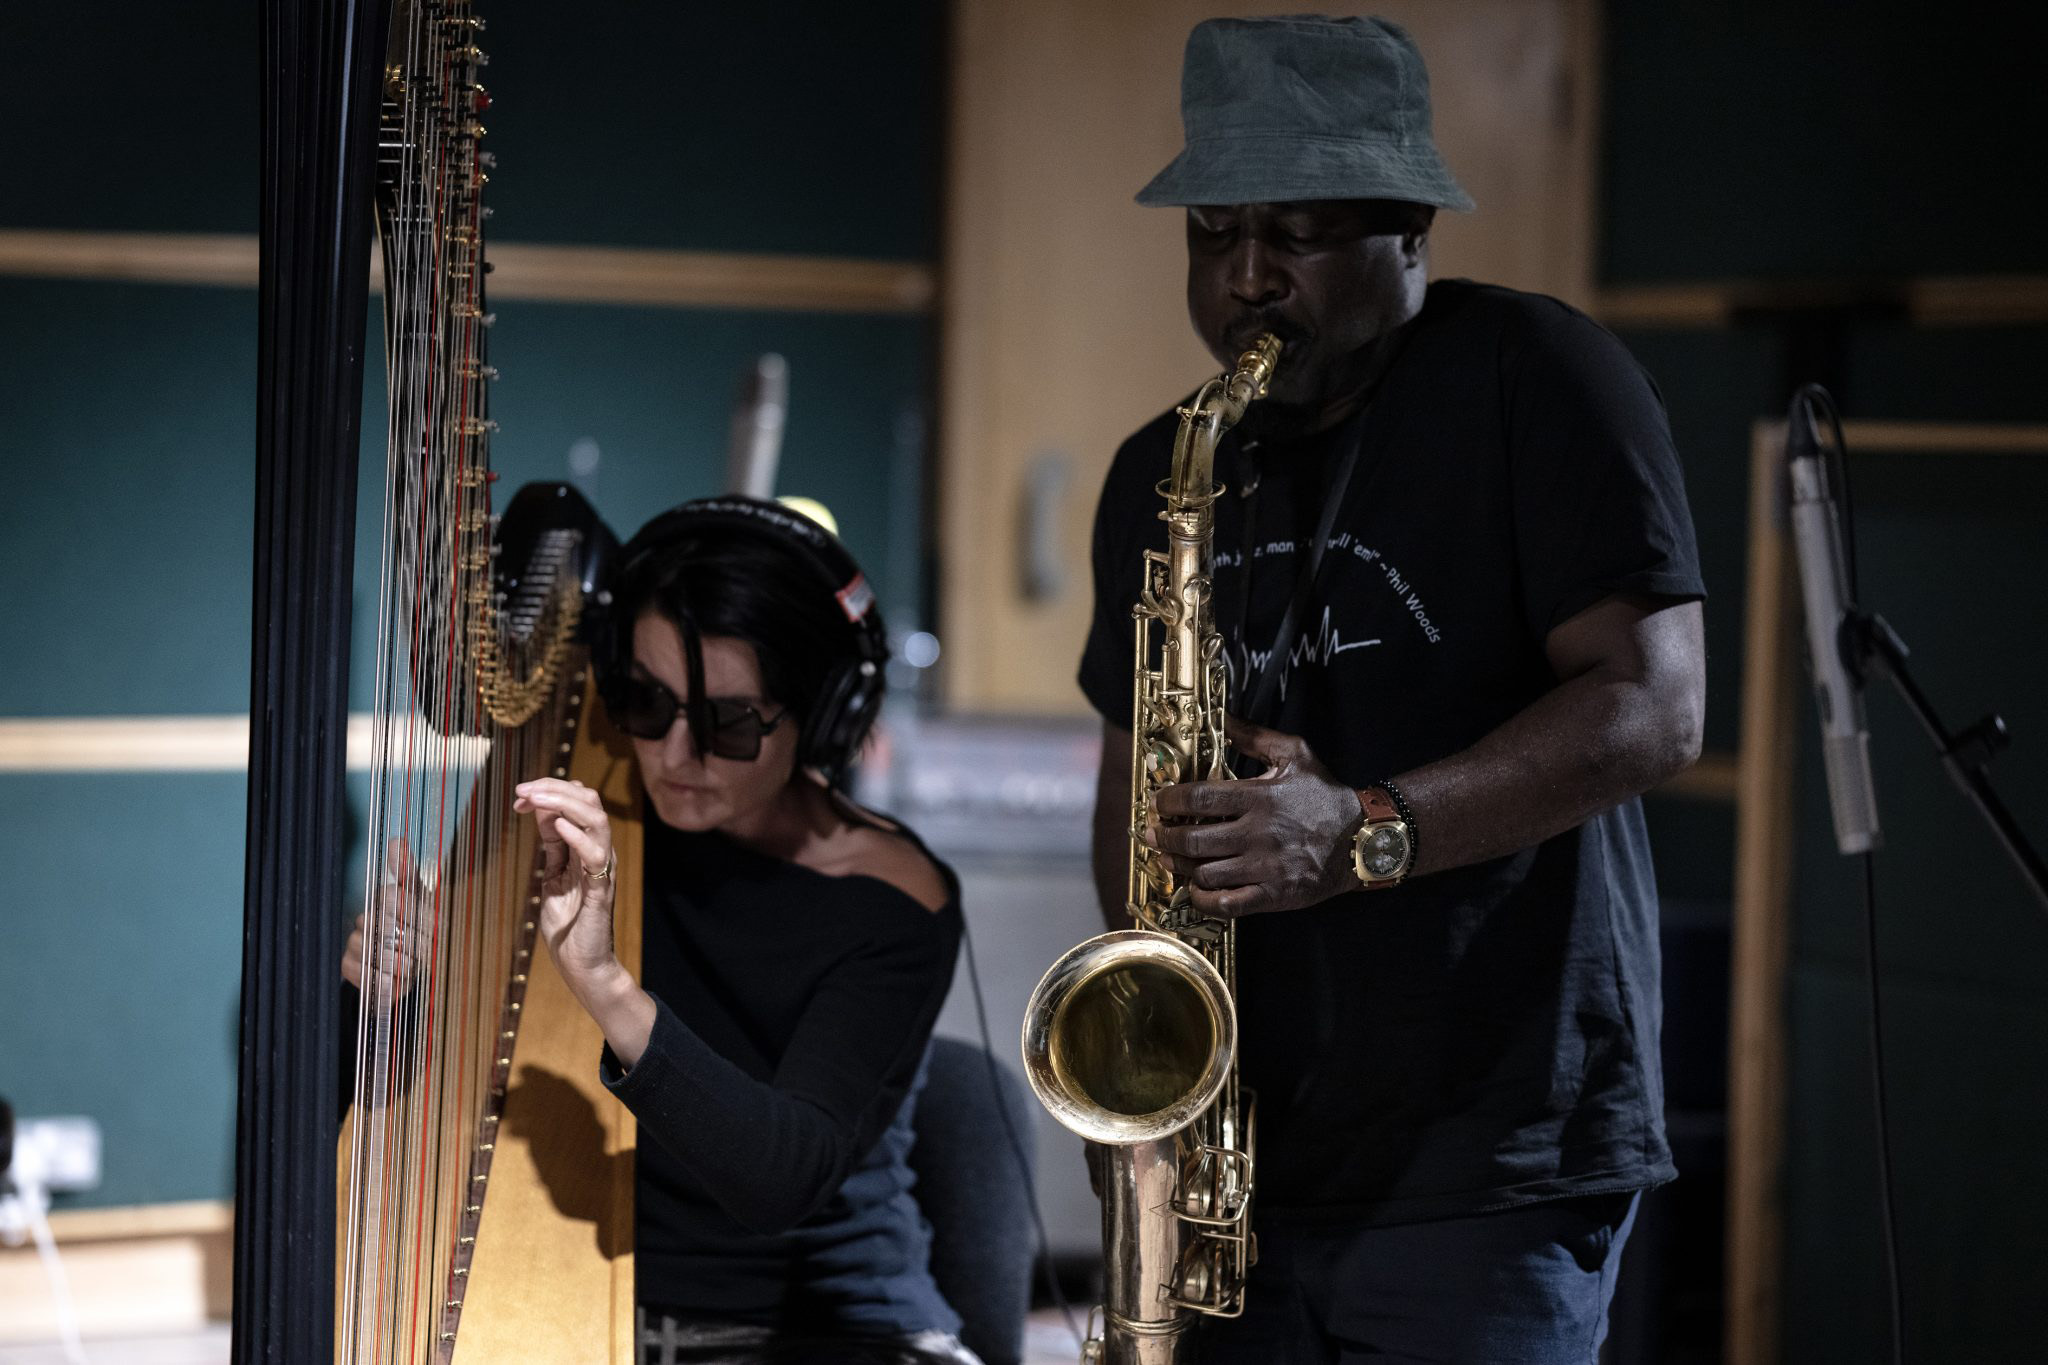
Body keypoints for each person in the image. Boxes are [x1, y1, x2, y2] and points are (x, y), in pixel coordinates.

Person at [1076, 16, 1707, 1364]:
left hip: (1488, 1163)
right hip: (1238, 1164)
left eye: (1296, 234)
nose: (1247, 276)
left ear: (1409, 224)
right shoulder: (1162, 468)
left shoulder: (1533, 375)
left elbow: (1654, 705)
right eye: (1213, 233)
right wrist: (1142, 1083)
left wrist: (1362, 828)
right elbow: (1132, 790)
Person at [347, 496, 981, 1365]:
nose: (677, 755)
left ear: (823, 713)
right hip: (586, 1309)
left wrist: (605, 982)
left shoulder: (893, 902)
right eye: (647, 702)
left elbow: (781, 1179)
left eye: (729, 721)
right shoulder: (591, 800)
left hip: (817, 1327)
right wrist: (378, 989)